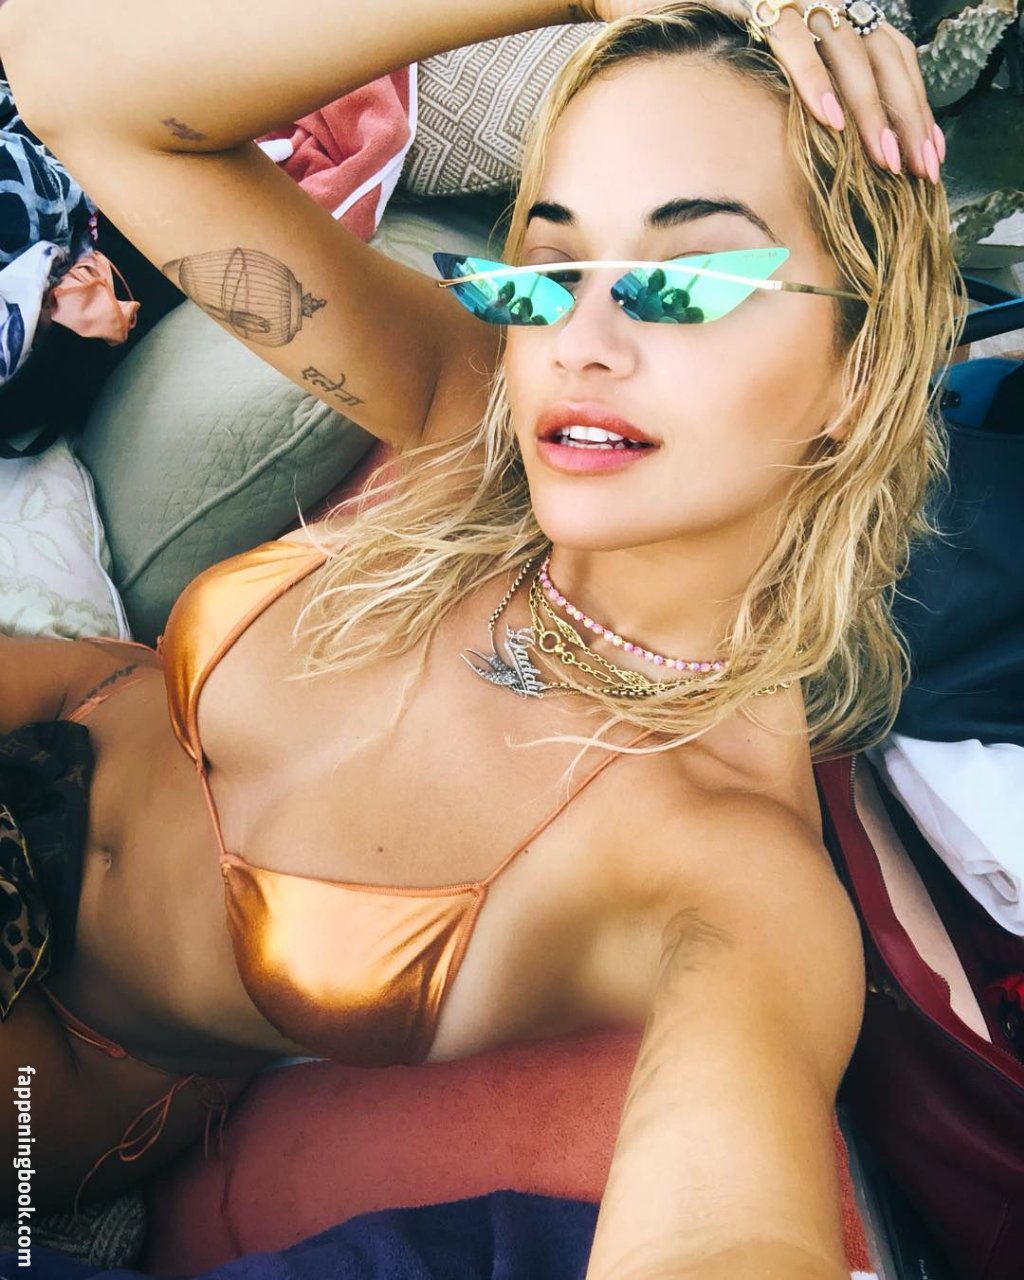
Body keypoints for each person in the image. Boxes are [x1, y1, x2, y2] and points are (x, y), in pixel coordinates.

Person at [0, 1, 957, 1274]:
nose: (580, 342)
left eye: (683, 281)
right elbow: (74, 84)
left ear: (860, 367)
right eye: (548, 270)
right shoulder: (475, 417)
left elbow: (725, 1225)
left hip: (57, 1056)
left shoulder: (730, 874)